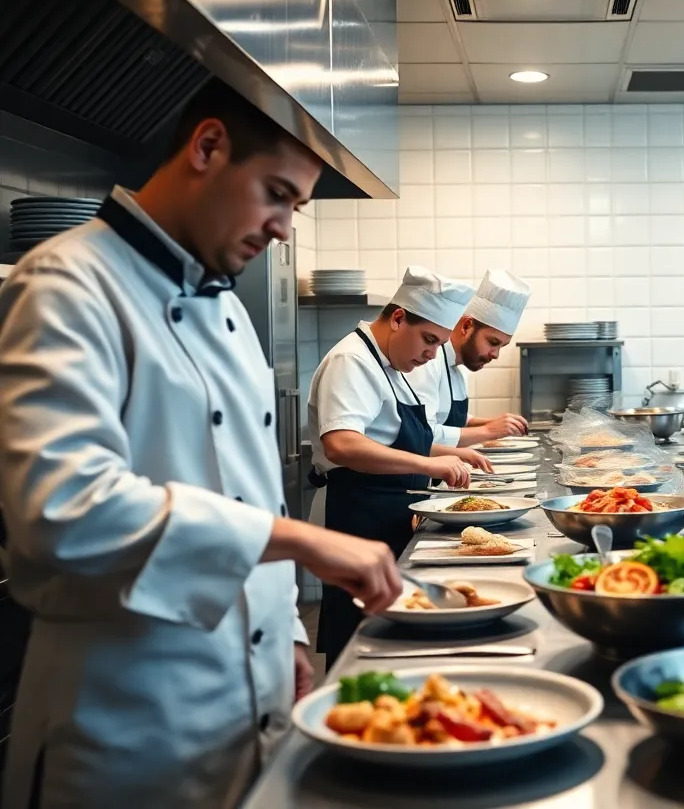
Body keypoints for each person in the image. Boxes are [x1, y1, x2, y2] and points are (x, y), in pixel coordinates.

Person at [0, 78, 401, 809]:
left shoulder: (226, 308)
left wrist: (287, 638)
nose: (284, 226)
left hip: (247, 696)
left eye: (296, 207)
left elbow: (249, 488)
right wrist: (302, 542)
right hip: (130, 725)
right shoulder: (65, 284)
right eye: (277, 194)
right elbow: (63, 510)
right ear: (208, 146)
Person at [306, 266, 486, 666]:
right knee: (360, 638)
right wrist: (431, 465)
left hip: (388, 516)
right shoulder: (351, 360)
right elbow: (342, 444)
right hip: (357, 518)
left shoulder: (390, 365)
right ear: (399, 317)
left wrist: (448, 455)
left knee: (391, 634)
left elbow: (399, 439)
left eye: (438, 345)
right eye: (427, 340)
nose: (429, 355)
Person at [408, 268, 533, 447]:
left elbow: (452, 419)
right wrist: (489, 431)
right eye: (493, 342)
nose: (495, 355)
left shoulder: (458, 368)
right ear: (466, 326)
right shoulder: (427, 361)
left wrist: (493, 423)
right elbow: (423, 433)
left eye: (501, 347)